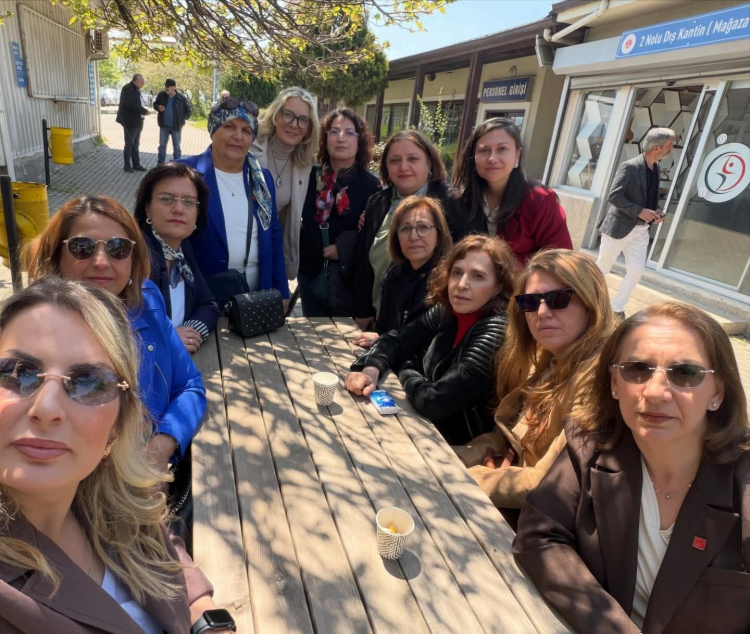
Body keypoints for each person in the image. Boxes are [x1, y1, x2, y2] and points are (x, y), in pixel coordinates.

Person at [0, 277, 234, 634]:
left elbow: (165, 553)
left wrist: (209, 619)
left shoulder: (111, 499)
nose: (46, 409)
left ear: (117, 426)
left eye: (89, 382)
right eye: (17, 373)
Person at [513, 301, 749, 634]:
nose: (655, 392)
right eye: (637, 369)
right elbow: (540, 534)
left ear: (718, 392)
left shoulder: (744, 484)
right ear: (613, 383)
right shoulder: (591, 446)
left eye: (685, 373)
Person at [23, 195, 206, 471]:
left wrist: (160, 449)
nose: (100, 261)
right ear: (57, 257)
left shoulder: (147, 301)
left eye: (118, 248)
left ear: (133, 258)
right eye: (82, 247)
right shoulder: (31, 332)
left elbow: (190, 385)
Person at [454, 250, 614, 517]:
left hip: (534, 519)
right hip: (504, 489)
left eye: (558, 299)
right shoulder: (545, 356)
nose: (541, 312)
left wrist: (457, 479)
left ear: (591, 303)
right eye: (530, 301)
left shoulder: (598, 380)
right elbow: (507, 438)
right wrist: (451, 460)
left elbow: (548, 481)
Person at [346, 235, 514, 445]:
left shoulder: (496, 331)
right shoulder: (448, 311)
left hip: (457, 445)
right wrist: (370, 370)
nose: (462, 284)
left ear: (498, 286)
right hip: (422, 423)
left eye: (478, 276)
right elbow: (397, 340)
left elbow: (435, 401)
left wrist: (405, 367)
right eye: (457, 272)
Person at [179, 98, 290, 308]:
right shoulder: (185, 174)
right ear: (213, 130)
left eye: (246, 131)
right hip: (201, 298)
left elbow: (274, 234)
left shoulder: (262, 179)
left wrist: (282, 290)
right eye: (229, 127)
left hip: (256, 299)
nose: (238, 136)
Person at [353, 129, 460, 332]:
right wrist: (363, 309)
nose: (403, 167)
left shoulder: (453, 203)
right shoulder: (377, 203)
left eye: (412, 159)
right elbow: (362, 262)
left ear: (429, 162)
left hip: (429, 327)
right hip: (379, 319)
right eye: (395, 160)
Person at [451, 117, 572, 264]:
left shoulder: (541, 201)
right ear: (473, 157)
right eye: (484, 150)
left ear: (517, 156)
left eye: (502, 149)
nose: (492, 158)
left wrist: (500, 264)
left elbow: (562, 260)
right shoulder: (460, 198)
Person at [298, 107, 380, 317]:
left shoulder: (372, 186)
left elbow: (375, 237)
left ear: (360, 141)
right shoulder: (307, 177)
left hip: (348, 279)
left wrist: (344, 249)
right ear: (325, 139)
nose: (341, 138)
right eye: (334, 131)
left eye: (349, 132)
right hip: (310, 273)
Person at [134, 163, 220, 351]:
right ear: (147, 208)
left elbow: (208, 305)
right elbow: (119, 325)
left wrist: (191, 333)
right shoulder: (135, 256)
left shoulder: (182, 249)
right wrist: (169, 339)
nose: (179, 209)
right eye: (166, 199)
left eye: (188, 202)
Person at [351, 195, 452, 349]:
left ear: (439, 235)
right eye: (405, 228)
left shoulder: (449, 282)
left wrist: (385, 341)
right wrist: (380, 337)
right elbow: (385, 330)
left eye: (423, 227)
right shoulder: (393, 276)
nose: (413, 236)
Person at [596, 127, 676, 320]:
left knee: (637, 271)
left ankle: (616, 309)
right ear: (656, 148)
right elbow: (614, 196)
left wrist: (657, 211)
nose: (672, 148)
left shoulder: (656, 168)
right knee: (602, 268)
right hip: (619, 228)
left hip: (641, 231)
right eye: (669, 145)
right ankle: (584, 299)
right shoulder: (630, 167)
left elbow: (649, 198)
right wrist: (639, 211)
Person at [252, 87, 320, 280]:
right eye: (288, 114)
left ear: (309, 129)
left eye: (303, 120)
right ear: (275, 115)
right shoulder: (251, 148)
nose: (294, 125)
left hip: (267, 252)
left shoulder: (304, 165)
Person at [154, 79, 193, 164]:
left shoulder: (181, 97)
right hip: (164, 125)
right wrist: (158, 107)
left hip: (176, 126)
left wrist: (183, 119)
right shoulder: (161, 95)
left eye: (169, 88)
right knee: (162, 146)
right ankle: (160, 163)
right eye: (166, 87)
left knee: (177, 147)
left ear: (174, 88)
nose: (168, 89)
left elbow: (188, 109)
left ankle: (177, 164)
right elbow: (155, 104)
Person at [116, 73, 149, 173]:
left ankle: (136, 164)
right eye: (142, 81)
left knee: (136, 144)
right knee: (129, 143)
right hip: (130, 121)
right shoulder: (128, 89)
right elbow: (132, 105)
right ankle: (127, 165)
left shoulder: (136, 89)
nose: (143, 83)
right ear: (137, 80)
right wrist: (144, 111)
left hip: (138, 120)